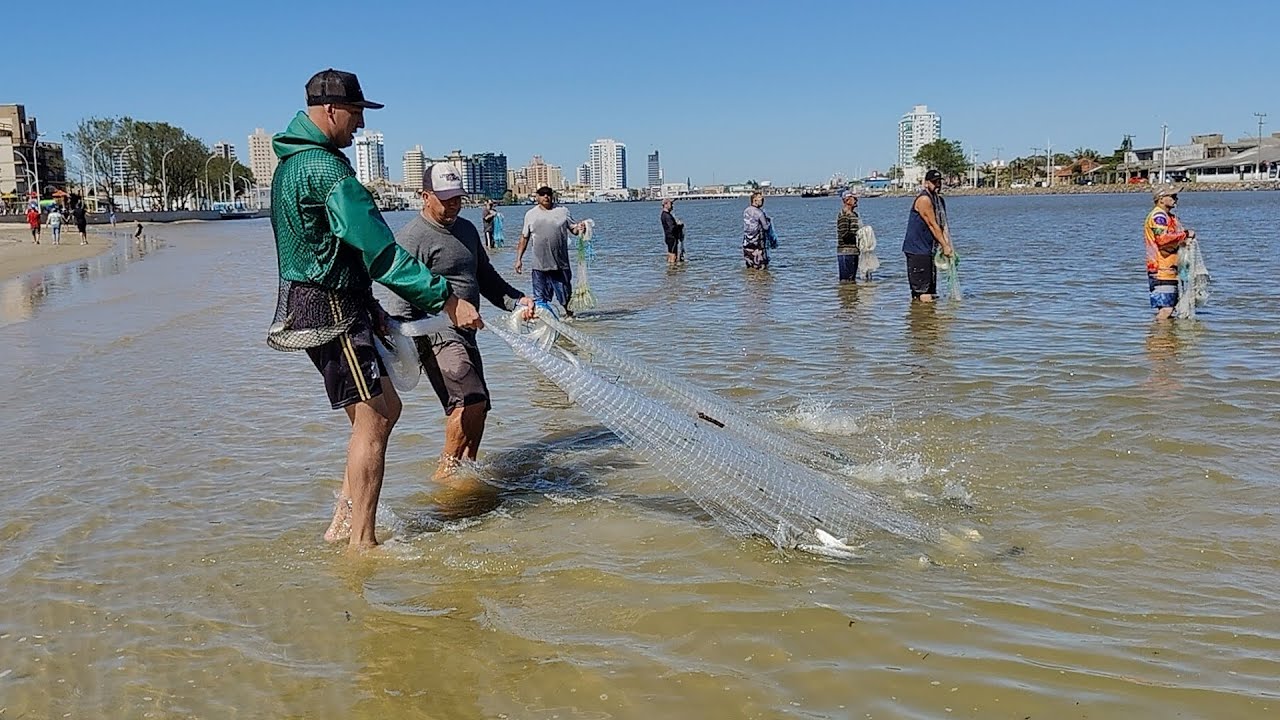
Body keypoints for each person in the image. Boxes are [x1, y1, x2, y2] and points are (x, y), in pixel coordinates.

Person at [266, 68, 481, 550]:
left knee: (384, 409)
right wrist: (446, 300)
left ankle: (342, 525)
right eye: (357, 112)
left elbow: (327, 247)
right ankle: (362, 544)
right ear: (330, 110)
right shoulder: (326, 170)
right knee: (375, 418)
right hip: (331, 310)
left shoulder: (290, 165)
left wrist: (370, 306)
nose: (360, 124)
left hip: (328, 304)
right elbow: (381, 253)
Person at [391, 164, 535, 482]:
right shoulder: (412, 238)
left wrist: (516, 301)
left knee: (480, 406)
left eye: (458, 197)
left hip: (467, 333)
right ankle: (445, 475)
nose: (454, 204)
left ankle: (468, 474)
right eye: (446, 199)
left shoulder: (468, 230)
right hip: (434, 333)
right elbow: (400, 294)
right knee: (468, 399)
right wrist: (404, 349)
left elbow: (486, 278)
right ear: (425, 196)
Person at [515, 185, 584, 315]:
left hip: (560, 264)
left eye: (548, 194)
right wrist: (519, 259)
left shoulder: (563, 211)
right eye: (542, 194)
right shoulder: (530, 214)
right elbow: (524, 238)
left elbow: (574, 230)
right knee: (540, 300)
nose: (546, 196)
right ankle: (545, 320)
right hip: (539, 266)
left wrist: (580, 228)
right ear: (537, 197)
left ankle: (571, 320)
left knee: (566, 299)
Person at [902, 169, 954, 302]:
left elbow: (943, 225)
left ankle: (924, 314)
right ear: (926, 183)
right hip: (917, 250)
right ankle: (923, 314)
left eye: (939, 182)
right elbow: (932, 225)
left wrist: (947, 245)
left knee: (931, 290)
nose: (937, 185)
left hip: (929, 250)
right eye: (934, 182)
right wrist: (944, 245)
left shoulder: (939, 201)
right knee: (923, 292)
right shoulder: (924, 199)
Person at [1145, 184, 1194, 321]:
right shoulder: (1158, 216)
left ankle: (1166, 334)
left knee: (1170, 308)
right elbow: (1162, 239)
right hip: (1161, 269)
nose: (1176, 199)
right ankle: (1158, 333)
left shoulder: (1170, 217)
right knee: (1166, 309)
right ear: (1161, 199)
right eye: (1172, 196)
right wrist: (1185, 234)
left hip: (1171, 268)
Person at [836, 190, 861, 282]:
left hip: (854, 252)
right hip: (845, 253)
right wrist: (859, 236)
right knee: (846, 281)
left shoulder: (855, 215)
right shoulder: (844, 215)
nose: (856, 200)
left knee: (852, 281)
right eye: (854, 198)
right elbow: (844, 234)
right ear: (847, 200)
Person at [741, 191, 771, 269]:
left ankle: (751, 276)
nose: (763, 201)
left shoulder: (746, 211)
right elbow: (766, 227)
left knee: (750, 266)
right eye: (761, 199)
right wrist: (769, 222)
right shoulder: (759, 213)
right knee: (761, 267)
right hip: (758, 243)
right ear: (755, 200)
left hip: (747, 242)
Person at [660, 198, 685, 264]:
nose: (672, 205)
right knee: (673, 255)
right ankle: (672, 268)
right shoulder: (667, 216)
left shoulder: (664, 214)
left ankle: (671, 267)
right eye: (671, 204)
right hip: (672, 238)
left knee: (670, 253)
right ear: (665, 205)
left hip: (668, 237)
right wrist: (679, 226)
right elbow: (672, 228)